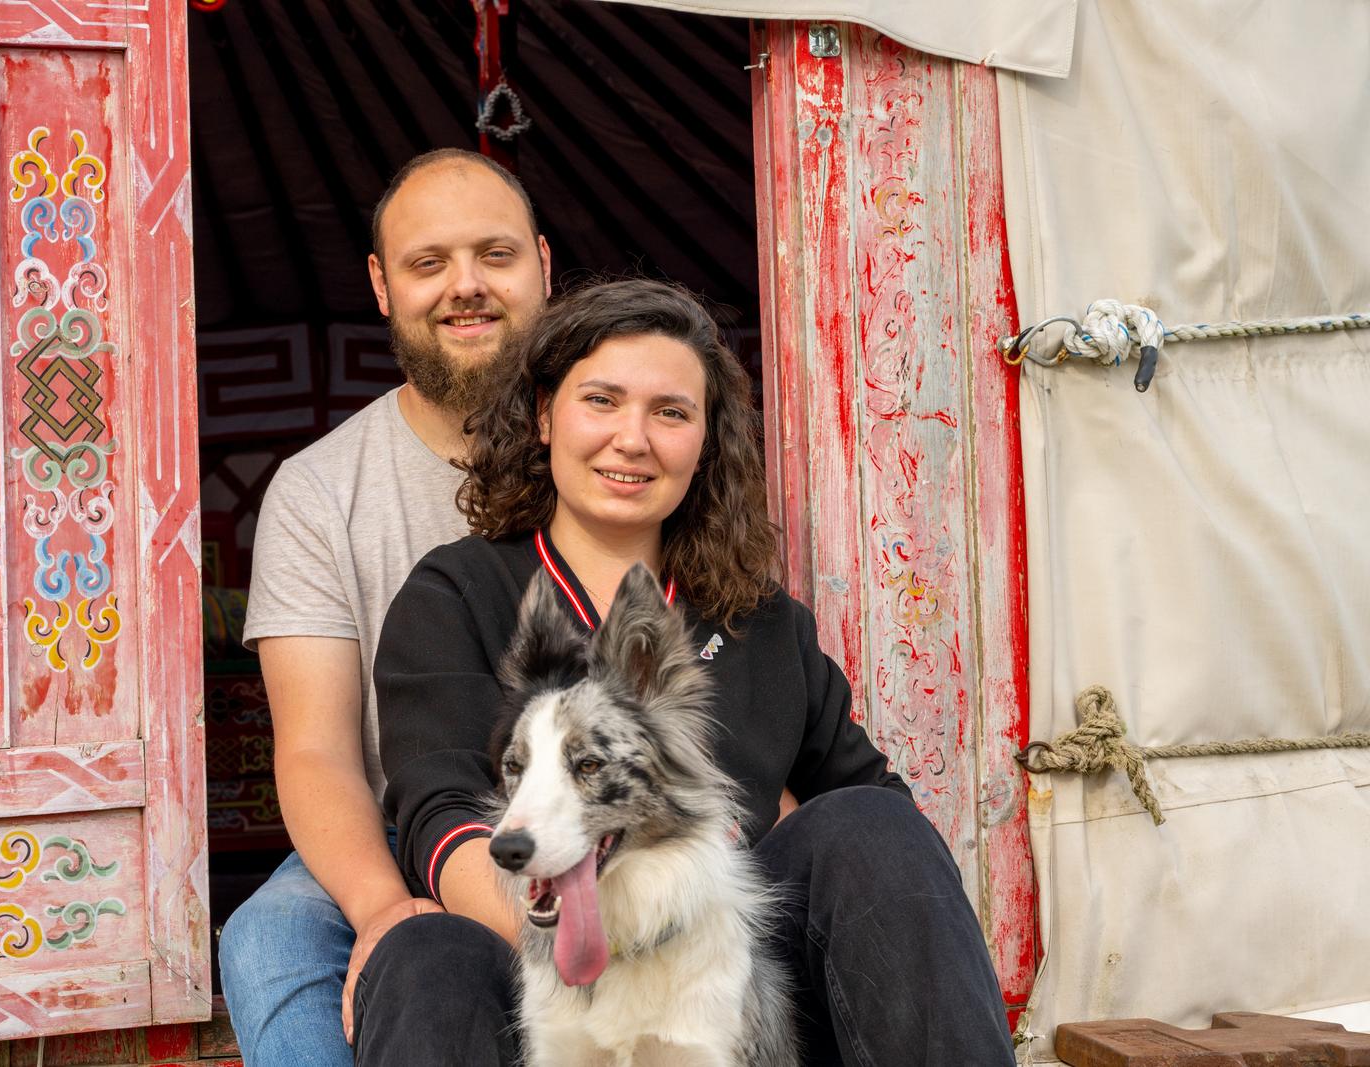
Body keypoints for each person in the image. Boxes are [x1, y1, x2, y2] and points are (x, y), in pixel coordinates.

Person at [358, 279, 1017, 1065]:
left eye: (671, 412)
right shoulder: (457, 594)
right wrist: (596, 941)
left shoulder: (760, 620)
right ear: (543, 415)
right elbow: (443, 816)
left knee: (872, 827)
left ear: (706, 440)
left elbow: (870, 816)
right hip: (533, 958)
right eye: (601, 400)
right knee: (421, 951)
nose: (633, 439)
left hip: (730, 976)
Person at [221, 148, 552, 1065]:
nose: (466, 287)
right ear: (380, 284)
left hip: (580, 813)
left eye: (495, 255)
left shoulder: (613, 445)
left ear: (544, 265)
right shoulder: (321, 490)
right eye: (428, 263)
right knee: (269, 941)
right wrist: (380, 907)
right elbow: (318, 745)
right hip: (395, 826)